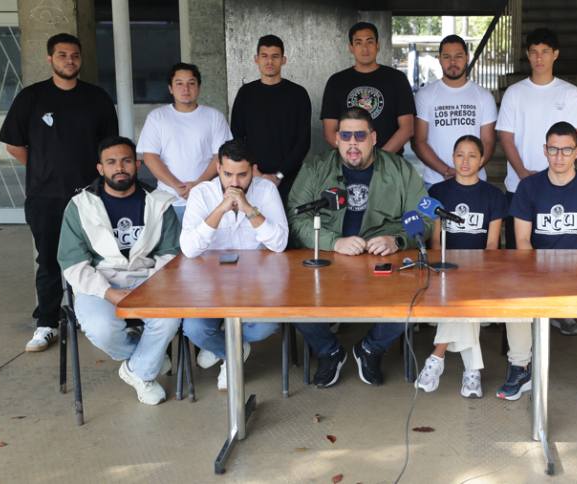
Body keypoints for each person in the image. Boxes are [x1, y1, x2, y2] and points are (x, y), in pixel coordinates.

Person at [288, 107, 430, 388]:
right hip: (329, 259)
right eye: (346, 136)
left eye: (360, 136)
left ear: (373, 138)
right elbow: (296, 217)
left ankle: (371, 349)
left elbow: (424, 218)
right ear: (336, 138)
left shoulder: (400, 169)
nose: (352, 143)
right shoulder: (316, 168)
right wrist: (333, 242)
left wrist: (396, 240)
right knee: (291, 298)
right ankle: (329, 351)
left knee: (416, 296)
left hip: (382, 261)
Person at [0, 33, 118, 352]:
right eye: (62, 55)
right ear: (50, 58)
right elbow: (14, 145)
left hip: (90, 197)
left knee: (94, 258)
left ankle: (89, 316)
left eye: (74, 55)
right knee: (49, 260)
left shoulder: (97, 98)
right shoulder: (31, 98)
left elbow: (110, 148)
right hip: (45, 197)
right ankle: (47, 323)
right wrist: (43, 168)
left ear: (81, 59)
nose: (69, 60)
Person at [498, 122, 577, 406]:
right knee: (514, 295)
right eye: (553, 150)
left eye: (566, 150)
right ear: (545, 150)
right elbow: (522, 241)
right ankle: (520, 367)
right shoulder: (529, 187)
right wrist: (538, 276)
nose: (559, 156)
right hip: (537, 270)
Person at [57, 136, 182, 405]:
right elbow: (73, 262)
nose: (120, 168)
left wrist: (150, 287)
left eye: (126, 161)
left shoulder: (159, 203)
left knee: (170, 319)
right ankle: (148, 356)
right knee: (102, 328)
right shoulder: (80, 206)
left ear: (137, 164)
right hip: (99, 282)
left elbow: (170, 254)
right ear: (100, 168)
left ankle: (138, 370)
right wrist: (108, 292)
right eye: (111, 162)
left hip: (149, 280)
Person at [179, 140, 288, 390]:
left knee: (266, 326)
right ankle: (233, 353)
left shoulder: (266, 190)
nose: (235, 183)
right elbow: (189, 249)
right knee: (194, 329)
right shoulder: (201, 193)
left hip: (256, 281)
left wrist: (248, 208)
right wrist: (220, 210)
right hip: (210, 283)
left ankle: (226, 348)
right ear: (218, 168)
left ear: (253, 170)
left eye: (242, 175)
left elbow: (279, 243)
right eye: (228, 174)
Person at [414, 135, 508, 398]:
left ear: (482, 159)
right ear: (453, 158)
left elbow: (492, 245)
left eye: (472, 156)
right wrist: (440, 270)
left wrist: (478, 271)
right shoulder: (438, 193)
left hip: (480, 272)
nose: (465, 161)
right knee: (465, 306)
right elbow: (435, 241)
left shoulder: (493, 195)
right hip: (446, 270)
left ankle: (437, 356)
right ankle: (471, 372)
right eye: (459, 155)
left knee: (466, 300)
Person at [496, 28, 577, 250]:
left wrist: (556, 174)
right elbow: (506, 138)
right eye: (534, 52)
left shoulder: (570, 92)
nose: (539, 58)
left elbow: (576, 139)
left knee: (561, 252)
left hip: (560, 185)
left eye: (545, 51)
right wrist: (523, 174)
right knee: (518, 253)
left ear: (555, 54)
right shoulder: (514, 93)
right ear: (527, 55)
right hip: (519, 185)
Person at [137, 62, 232, 220]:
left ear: (199, 87)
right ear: (170, 88)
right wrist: (176, 185)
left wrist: (198, 184)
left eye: (191, 83)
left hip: (207, 198)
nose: (185, 89)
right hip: (168, 199)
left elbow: (220, 156)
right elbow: (150, 157)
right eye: (179, 83)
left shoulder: (214, 117)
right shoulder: (157, 117)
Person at [230, 34, 312, 202]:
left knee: (287, 218)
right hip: (252, 176)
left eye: (275, 56)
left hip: (290, 179)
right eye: (264, 56)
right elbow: (237, 136)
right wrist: (253, 170)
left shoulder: (298, 94)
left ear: (283, 60)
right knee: (253, 216)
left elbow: (303, 141)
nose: (269, 61)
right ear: (256, 59)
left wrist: (280, 175)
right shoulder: (246, 93)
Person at [411, 34, 497, 188]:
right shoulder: (424, 95)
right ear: (439, 59)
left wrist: (468, 172)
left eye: (458, 56)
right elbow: (419, 141)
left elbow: (488, 142)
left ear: (467, 57)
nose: (452, 62)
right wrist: (445, 171)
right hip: (435, 182)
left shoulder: (484, 96)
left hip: (475, 181)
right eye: (446, 57)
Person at [321, 22, 415, 154]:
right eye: (358, 43)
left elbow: (407, 128)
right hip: (349, 161)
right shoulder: (336, 82)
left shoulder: (397, 79)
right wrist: (354, 156)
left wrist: (380, 159)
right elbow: (329, 132)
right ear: (351, 47)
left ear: (378, 45)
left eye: (369, 42)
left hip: (390, 161)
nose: (365, 48)